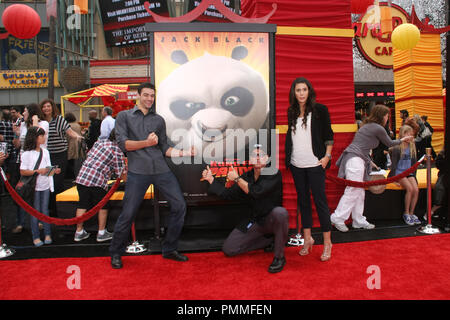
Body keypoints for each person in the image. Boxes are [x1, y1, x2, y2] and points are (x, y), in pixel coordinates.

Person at [109, 82, 195, 269]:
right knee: (128, 213)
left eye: (152, 96)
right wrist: (147, 143)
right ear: (138, 95)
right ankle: (116, 252)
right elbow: (124, 145)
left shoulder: (158, 120)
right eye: (146, 95)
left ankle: (169, 249)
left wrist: (185, 153)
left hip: (161, 170)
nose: (149, 99)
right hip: (137, 172)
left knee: (179, 205)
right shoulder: (124, 117)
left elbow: (164, 148)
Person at [202, 145, 289, 273]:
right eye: (254, 156)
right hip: (256, 221)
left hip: (271, 220)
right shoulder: (247, 176)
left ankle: (279, 257)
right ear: (250, 160)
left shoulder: (273, 173)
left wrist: (237, 179)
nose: (258, 158)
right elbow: (228, 194)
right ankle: (269, 240)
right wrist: (211, 180)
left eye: (261, 155)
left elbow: (256, 192)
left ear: (267, 158)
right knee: (229, 249)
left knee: (281, 212)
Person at [330, 105, 414, 232]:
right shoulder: (377, 127)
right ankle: (338, 218)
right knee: (353, 190)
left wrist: (369, 161)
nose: (387, 118)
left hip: (356, 159)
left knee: (358, 191)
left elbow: (361, 146)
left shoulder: (367, 126)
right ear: (381, 116)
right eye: (386, 115)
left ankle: (358, 220)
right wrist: (403, 139)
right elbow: (390, 143)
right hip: (355, 160)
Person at [284, 77, 334, 261]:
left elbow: (329, 135)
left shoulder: (320, 110)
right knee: (303, 202)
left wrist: (326, 157)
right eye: (298, 90)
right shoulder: (291, 111)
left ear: (309, 91)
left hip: (315, 164)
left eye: (304, 89)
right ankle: (308, 239)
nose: (301, 93)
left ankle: (327, 243)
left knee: (320, 202)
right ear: (294, 93)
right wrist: (289, 158)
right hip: (297, 164)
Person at [74, 129, 126, 242]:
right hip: (97, 180)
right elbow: (121, 174)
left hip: (82, 176)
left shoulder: (99, 142)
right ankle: (101, 232)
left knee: (82, 204)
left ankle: (78, 231)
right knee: (103, 206)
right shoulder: (116, 150)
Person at [40, 98, 84, 216]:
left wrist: (77, 137)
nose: (46, 108)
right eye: (44, 107)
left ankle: (57, 209)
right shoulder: (41, 121)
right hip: (47, 157)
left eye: (48, 106)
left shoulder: (59, 119)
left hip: (59, 156)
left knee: (57, 181)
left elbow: (69, 132)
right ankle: (50, 208)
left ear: (53, 107)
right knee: (49, 181)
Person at [11, 103, 49, 234]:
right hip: (21, 161)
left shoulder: (43, 124)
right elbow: (17, 145)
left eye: (25, 111)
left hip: (37, 165)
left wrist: (34, 121)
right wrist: (16, 134)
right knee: (21, 192)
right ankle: (20, 222)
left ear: (32, 112)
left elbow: (35, 137)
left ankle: (38, 221)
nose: (23, 113)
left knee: (36, 195)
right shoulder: (22, 125)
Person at [20, 126, 61, 246]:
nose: (44, 137)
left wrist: (54, 170)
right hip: (33, 186)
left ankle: (48, 234)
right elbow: (23, 171)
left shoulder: (45, 151)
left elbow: (47, 169)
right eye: (41, 135)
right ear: (35, 138)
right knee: (35, 211)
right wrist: (38, 171)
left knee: (45, 210)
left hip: (45, 185)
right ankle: (36, 236)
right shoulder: (27, 154)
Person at [388, 125, 420, 225]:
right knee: (410, 189)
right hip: (399, 172)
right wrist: (393, 178)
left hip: (409, 172)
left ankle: (412, 213)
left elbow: (414, 164)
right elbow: (393, 165)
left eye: (411, 134)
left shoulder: (412, 147)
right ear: (402, 135)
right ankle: (406, 212)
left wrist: (414, 177)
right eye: (407, 134)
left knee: (416, 190)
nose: (409, 136)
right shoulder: (397, 148)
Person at [65, 112, 85, 178]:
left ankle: (71, 177)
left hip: (71, 145)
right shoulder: (77, 125)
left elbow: (67, 137)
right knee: (77, 162)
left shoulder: (67, 125)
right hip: (78, 144)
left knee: (70, 162)